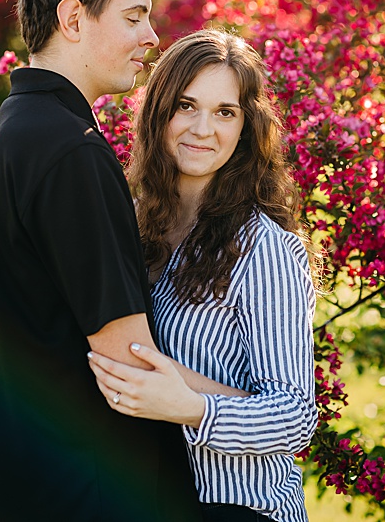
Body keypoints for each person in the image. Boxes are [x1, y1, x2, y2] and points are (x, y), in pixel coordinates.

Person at [0, 0, 243, 521]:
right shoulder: (71, 149)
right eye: (133, 16)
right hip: (83, 487)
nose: (151, 36)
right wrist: (252, 407)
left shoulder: (13, 130)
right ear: (73, 18)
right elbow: (127, 361)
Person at [87, 28, 319, 522]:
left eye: (225, 112)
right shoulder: (129, 223)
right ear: (159, 112)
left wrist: (193, 407)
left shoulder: (264, 250)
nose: (202, 129)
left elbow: (295, 417)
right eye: (186, 106)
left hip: (240, 507)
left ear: (245, 128)